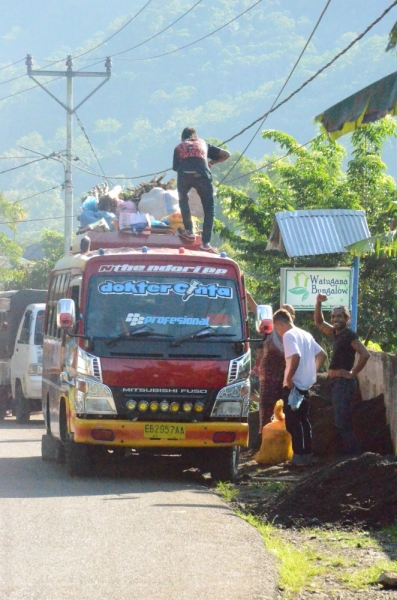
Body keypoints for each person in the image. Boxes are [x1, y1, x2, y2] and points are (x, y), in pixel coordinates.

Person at [314, 294, 370, 455]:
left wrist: (352, 373)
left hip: (343, 384)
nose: (335, 319)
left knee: (342, 422)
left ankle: (354, 457)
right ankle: (349, 456)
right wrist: (318, 303)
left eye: (339, 316)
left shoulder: (349, 335)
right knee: (340, 421)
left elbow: (365, 354)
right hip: (335, 384)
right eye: (332, 316)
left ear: (347, 318)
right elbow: (318, 322)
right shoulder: (336, 334)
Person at [273, 308, 327, 466]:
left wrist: (289, 378)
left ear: (281, 324)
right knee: (303, 421)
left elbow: (296, 356)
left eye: (277, 328)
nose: (277, 332)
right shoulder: (306, 334)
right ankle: (306, 454)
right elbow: (322, 355)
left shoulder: (289, 335)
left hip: (294, 386)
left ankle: (299, 457)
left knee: (293, 422)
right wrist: (312, 371)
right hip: (306, 385)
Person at [246, 292, 297, 432]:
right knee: (266, 409)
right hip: (268, 376)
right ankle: (265, 441)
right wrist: (250, 298)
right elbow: (257, 312)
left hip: (288, 376)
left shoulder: (297, 334)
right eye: (281, 311)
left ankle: (287, 442)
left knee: (287, 409)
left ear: (292, 317)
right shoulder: (270, 328)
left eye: (287, 312)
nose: (283, 314)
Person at [173, 127, 230, 252]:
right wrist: (211, 163)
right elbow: (226, 155)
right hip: (202, 176)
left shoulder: (179, 147)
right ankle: (205, 244)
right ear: (195, 136)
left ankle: (189, 231)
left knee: (183, 200)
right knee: (209, 210)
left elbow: (176, 168)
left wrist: (188, 175)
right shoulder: (203, 144)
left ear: (183, 138)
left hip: (184, 176)